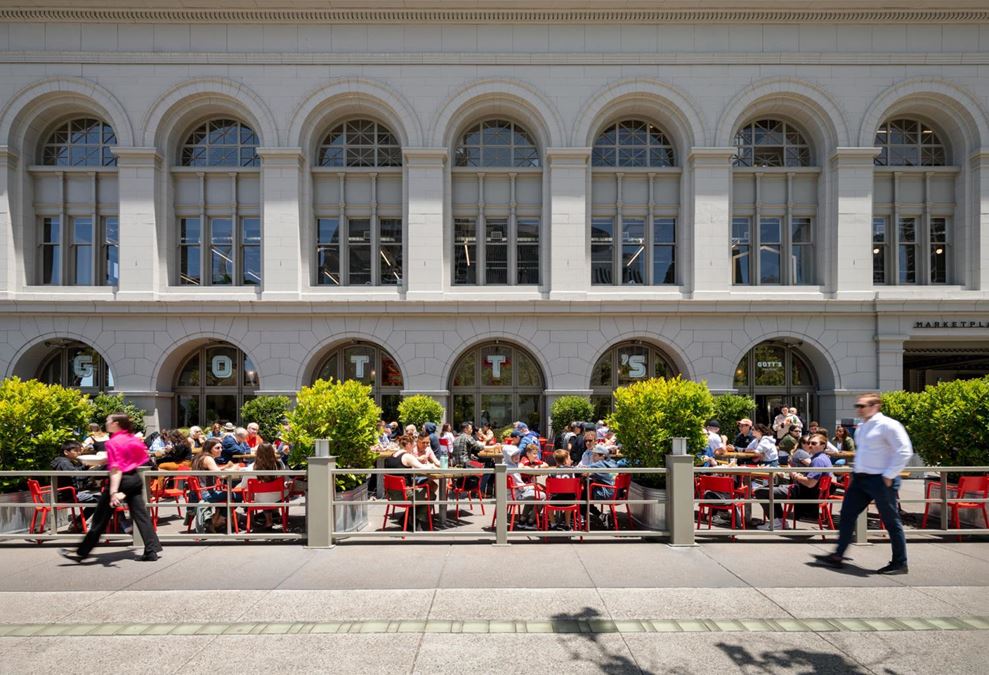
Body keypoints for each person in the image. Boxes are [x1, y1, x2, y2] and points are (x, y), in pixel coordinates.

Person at [813, 393, 913, 575]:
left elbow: (905, 451)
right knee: (847, 515)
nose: (858, 409)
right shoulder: (862, 427)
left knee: (891, 521)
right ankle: (838, 555)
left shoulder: (889, 425)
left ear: (875, 406)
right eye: (857, 405)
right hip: (861, 478)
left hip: (880, 479)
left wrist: (889, 475)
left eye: (862, 405)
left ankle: (900, 563)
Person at [61, 412, 163, 563]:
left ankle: (82, 553)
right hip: (135, 478)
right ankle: (151, 550)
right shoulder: (132, 439)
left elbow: (116, 469)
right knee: (141, 516)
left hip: (121, 480)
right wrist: (107, 460)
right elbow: (141, 458)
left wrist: (115, 491)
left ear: (116, 423)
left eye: (109, 420)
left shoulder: (114, 442)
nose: (106, 422)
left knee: (100, 519)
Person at [755, 432, 832, 529]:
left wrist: (795, 475)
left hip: (803, 493)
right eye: (809, 443)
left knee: (761, 491)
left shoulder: (818, 460)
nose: (810, 445)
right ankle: (779, 521)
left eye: (814, 443)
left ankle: (777, 522)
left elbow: (810, 483)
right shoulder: (823, 458)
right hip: (808, 492)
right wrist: (800, 475)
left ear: (823, 445)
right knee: (769, 489)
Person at [383, 434, 436, 527]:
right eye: (413, 445)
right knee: (431, 494)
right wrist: (432, 466)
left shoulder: (392, 456)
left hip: (392, 495)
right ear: (409, 445)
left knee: (425, 487)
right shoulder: (407, 456)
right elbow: (423, 468)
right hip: (405, 495)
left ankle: (405, 518)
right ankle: (417, 521)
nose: (413, 447)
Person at [50, 440, 101, 532]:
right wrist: (92, 471)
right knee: (99, 500)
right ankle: (78, 524)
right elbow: (77, 476)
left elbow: (74, 471)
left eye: (79, 450)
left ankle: (77, 524)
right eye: (76, 450)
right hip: (67, 495)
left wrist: (85, 467)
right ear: (66, 452)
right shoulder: (64, 463)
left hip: (64, 493)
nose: (79, 452)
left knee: (97, 499)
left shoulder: (62, 461)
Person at [237, 442, 286, 529]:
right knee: (268, 495)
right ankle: (271, 517)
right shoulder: (280, 465)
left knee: (253, 494)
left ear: (257, 453)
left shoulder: (251, 468)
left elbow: (244, 486)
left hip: (260, 499)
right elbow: (286, 480)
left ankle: (253, 521)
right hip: (279, 497)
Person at [503, 444, 543, 529]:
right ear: (508, 455)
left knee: (533, 495)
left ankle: (522, 520)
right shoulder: (512, 468)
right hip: (515, 495)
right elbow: (521, 487)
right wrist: (533, 486)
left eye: (518, 454)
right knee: (542, 496)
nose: (517, 456)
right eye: (514, 454)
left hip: (508, 494)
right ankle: (531, 522)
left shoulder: (506, 465)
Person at [584, 444, 618, 526]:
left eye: (595, 455)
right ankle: (599, 515)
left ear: (602, 456)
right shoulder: (613, 463)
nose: (592, 457)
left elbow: (583, 471)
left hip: (605, 494)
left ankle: (583, 515)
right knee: (587, 489)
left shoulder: (599, 464)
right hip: (617, 494)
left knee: (584, 493)